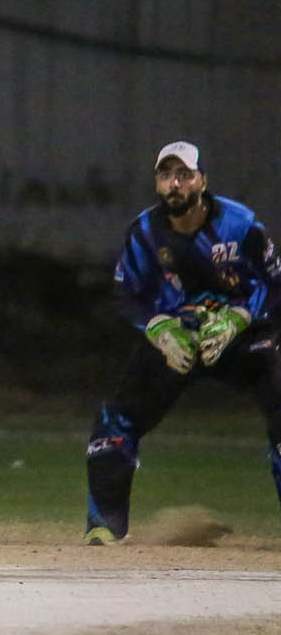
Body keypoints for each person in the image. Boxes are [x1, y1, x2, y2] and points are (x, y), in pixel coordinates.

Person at [85, 141, 281, 545]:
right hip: (177, 342)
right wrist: (157, 327)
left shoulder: (240, 225)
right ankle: (104, 525)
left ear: (202, 181)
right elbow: (126, 294)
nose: (174, 184)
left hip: (239, 338)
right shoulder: (144, 232)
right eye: (165, 175)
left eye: (184, 175)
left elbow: (274, 283)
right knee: (116, 420)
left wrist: (240, 317)